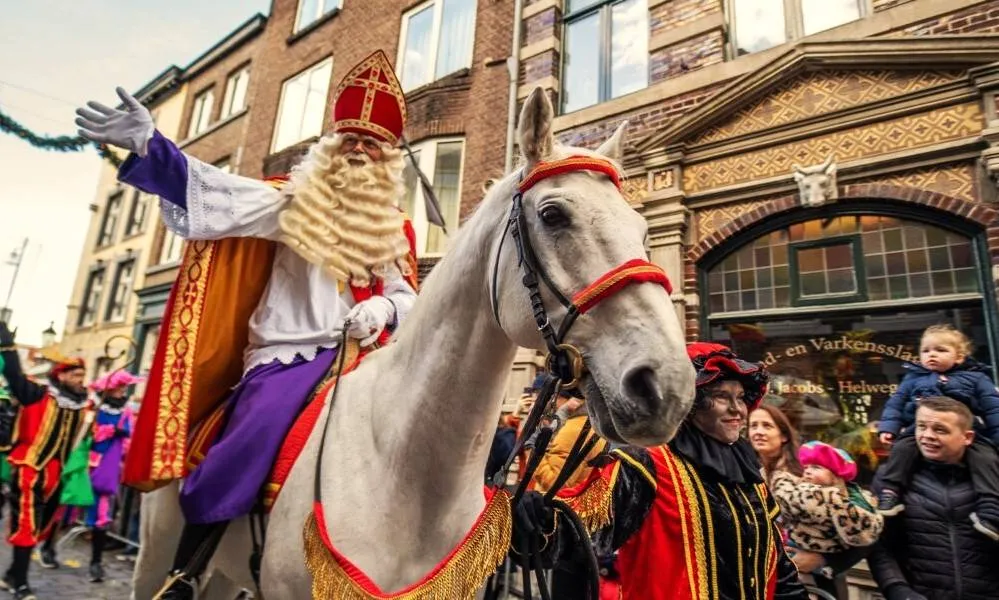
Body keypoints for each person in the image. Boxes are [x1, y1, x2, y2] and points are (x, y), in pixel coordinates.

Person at [76, 50, 419, 599]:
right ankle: (188, 568)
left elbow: (406, 296)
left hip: (367, 357)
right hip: (291, 355)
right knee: (252, 435)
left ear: (390, 159)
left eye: (372, 143)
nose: (359, 149)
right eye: (350, 139)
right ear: (330, 146)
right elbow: (215, 191)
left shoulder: (393, 227)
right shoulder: (289, 200)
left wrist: (383, 310)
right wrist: (151, 146)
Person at [552, 342, 808, 599]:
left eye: (740, 397)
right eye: (721, 396)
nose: (737, 409)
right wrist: (535, 513)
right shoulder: (648, 465)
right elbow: (573, 533)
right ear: (688, 402)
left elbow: (778, 568)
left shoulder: (747, 474)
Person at [868, 396, 999, 600]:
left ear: (968, 437)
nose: (927, 436)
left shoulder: (992, 479)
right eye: (921, 427)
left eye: (940, 430)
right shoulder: (890, 480)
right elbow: (880, 544)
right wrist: (897, 590)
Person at [876, 325, 999, 540]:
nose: (931, 355)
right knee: (902, 449)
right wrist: (889, 427)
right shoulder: (914, 378)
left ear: (959, 357)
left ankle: (990, 509)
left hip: (967, 431)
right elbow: (896, 403)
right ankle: (891, 492)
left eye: (941, 350)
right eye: (926, 350)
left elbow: (993, 409)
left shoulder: (977, 378)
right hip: (916, 428)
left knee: (985, 458)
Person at [0, 323, 90, 600]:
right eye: (75, 374)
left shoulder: (82, 403)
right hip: (30, 467)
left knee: (40, 525)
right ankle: (20, 584)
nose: (80, 379)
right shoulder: (39, 393)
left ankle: (12, 574)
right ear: (61, 375)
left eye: (82, 375)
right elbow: (14, 376)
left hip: (56, 473)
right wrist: (7, 343)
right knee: (26, 523)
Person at [84, 370, 139, 583]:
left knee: (102, 515)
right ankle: (48, 547)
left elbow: (129, 439)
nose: (123, 391)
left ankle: (96, 562)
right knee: (64, 504)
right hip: (84, 465)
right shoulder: (93, 408)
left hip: (107, 469)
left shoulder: (125, 413)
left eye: (125, 388)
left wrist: (121, 437)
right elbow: (84, 433)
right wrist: (99, 432)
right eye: (120, 388)